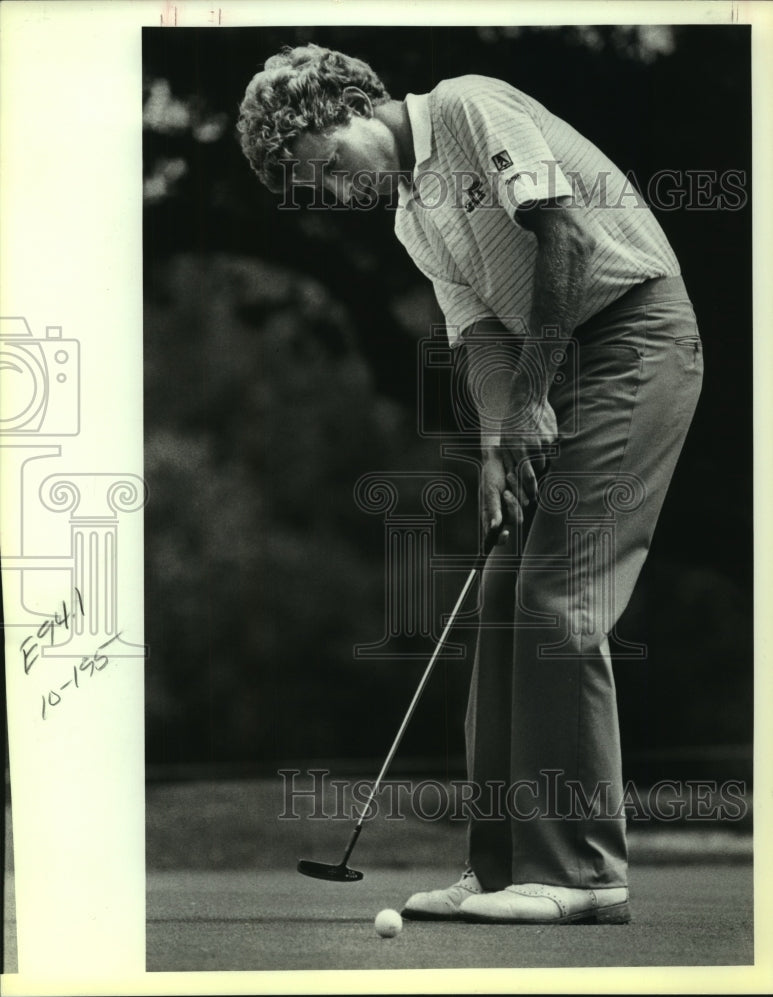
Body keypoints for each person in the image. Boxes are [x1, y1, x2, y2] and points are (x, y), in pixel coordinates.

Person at [238, 44, 703, 924]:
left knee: (556, 598)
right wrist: (497, 441)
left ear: (350, 106)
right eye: (320, 188)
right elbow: (479, 338)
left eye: (331, 166)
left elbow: (561, 232)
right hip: (550, 362)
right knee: (499, 599)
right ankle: (497, 869)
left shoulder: (464, 105)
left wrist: (530, 399)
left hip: (635, 341)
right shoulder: (413, 218)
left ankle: (581, 874)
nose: (339, 192)